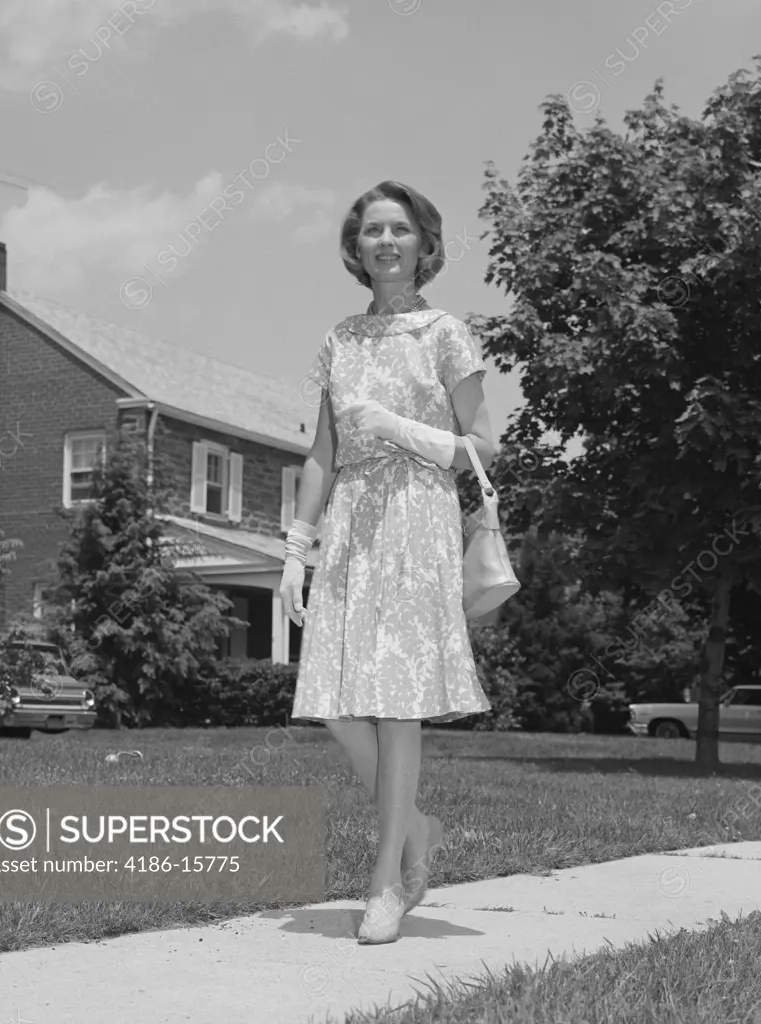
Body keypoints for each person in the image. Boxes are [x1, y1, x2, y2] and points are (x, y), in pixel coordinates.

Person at [280, 180, 496, 945]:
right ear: (354, 247)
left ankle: (386, 885)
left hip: (416, 514)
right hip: (349, 524)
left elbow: (482, 448)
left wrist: (399, 426)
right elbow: (320, 454)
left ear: (424, 245)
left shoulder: (444, 333)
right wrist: (294, 549)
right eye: (371, 230)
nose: (385, 241)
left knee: (397, 701)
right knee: (339, 704)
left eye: (399, 229)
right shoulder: (340, 339)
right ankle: (417, 830)